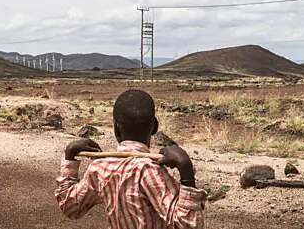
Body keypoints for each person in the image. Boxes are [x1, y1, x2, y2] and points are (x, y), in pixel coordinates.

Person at [55, 89, 206, 228]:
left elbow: (70, 208)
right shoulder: (149, 170)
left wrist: (70, 157)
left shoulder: (100, 168)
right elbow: (188, 225)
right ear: (155, 127)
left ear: (115, 129)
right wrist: (186, 172)